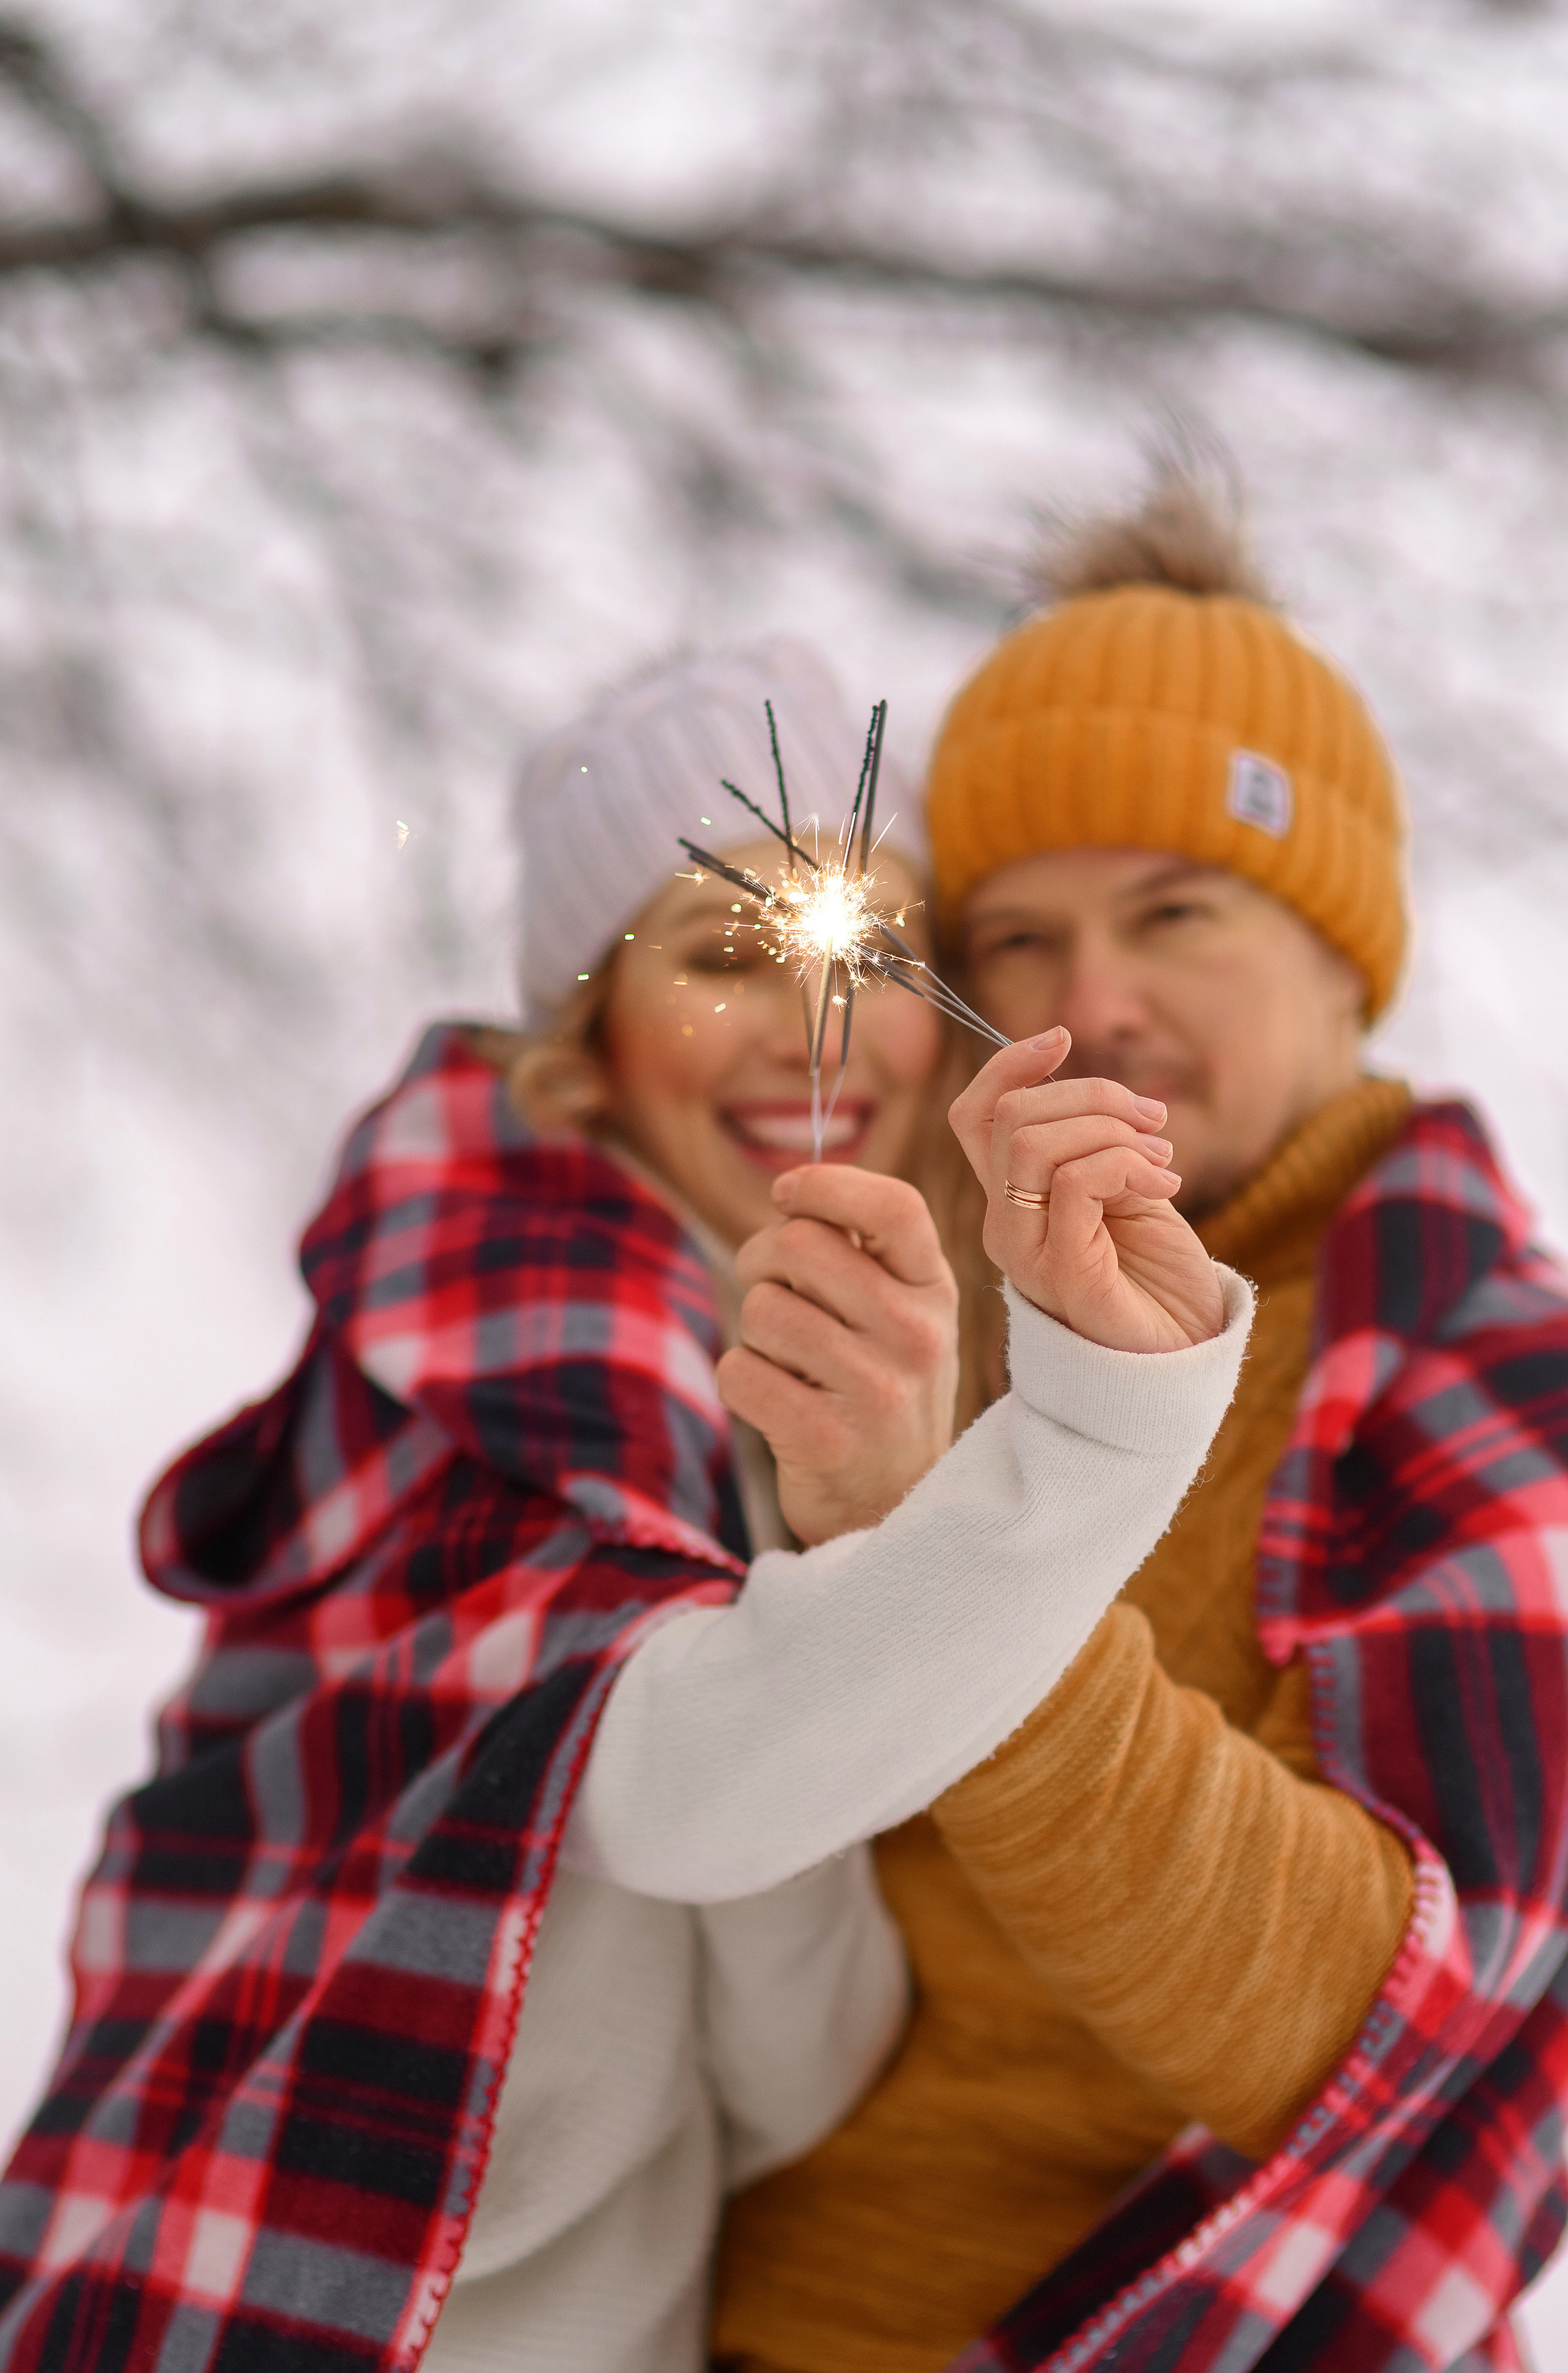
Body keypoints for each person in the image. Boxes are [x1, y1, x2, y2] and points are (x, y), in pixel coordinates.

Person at [0, 643, 1252, 2373]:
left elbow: (795, 2061)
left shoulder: (763, 1380)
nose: (813, 1024)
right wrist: (1100, 1436)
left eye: (867, 951)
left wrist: (833, 1572)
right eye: (722, 955)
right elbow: (691, 1797)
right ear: (584, 1038)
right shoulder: (492, 1299)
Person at [713, 482, 1568, 2371]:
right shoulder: (913, 1304)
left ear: (1346, 951)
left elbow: (1368, 2023)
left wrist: (945, 1572)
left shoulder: (1489, 1397)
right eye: (1018, 938)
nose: (1096, 1002)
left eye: (1175, 910)